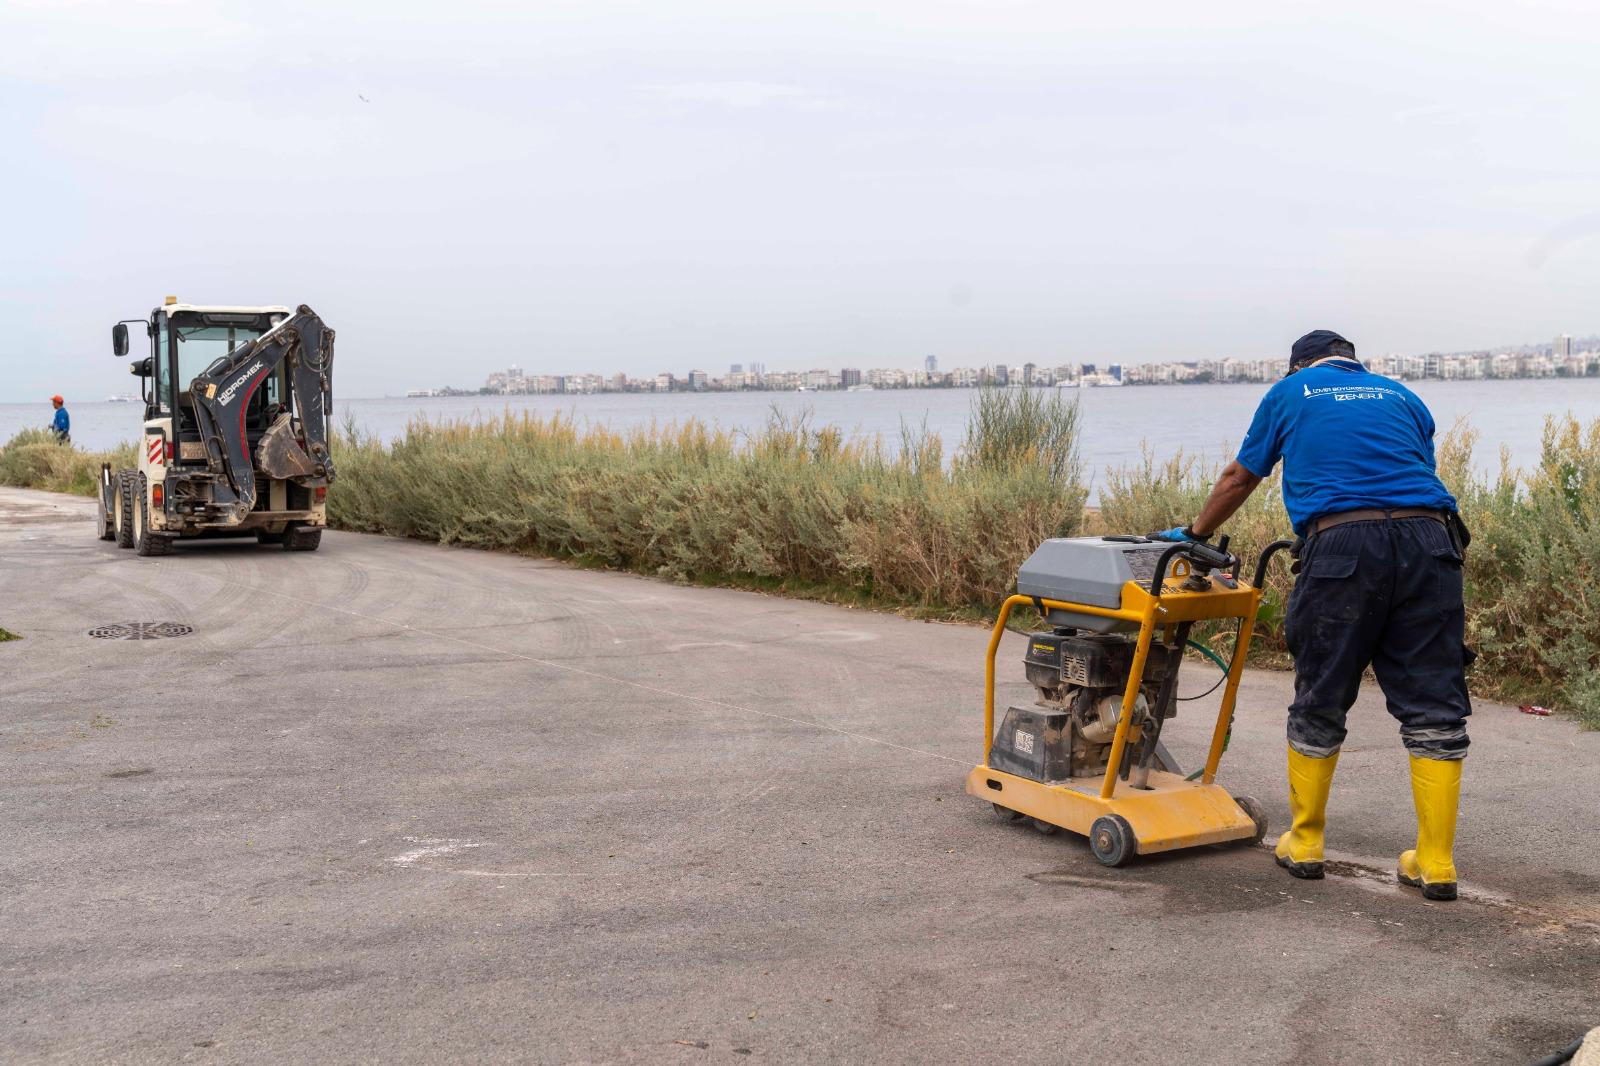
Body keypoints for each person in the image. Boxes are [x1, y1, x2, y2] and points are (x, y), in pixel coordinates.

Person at [1152, 329, 1470, 902]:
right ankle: (1437, 862)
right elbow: (1412, 474)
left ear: (1299, 364)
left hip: (1344, 548)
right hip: (1431, 544)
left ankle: (1305, 842)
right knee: (1434, 701)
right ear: (1354, 363)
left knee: (1322, 689)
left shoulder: (1291, 391)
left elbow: (1240, 476)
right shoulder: (1401, 395)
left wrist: (1196, 535)